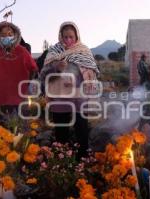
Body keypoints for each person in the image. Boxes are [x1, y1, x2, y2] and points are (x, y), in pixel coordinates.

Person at [39, 21, 99, 157]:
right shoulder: (54, 52)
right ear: (60, 36)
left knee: (81, 127)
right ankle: (62, 158)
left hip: (79, 95)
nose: (68, 40)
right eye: (65, 37)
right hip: (59, 96)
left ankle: (83, 157)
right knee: (61, 128)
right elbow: (43, 75)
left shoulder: (84, 51)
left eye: (71, 36)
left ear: (76, 36)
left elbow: (92, 72)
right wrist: (56, 68)